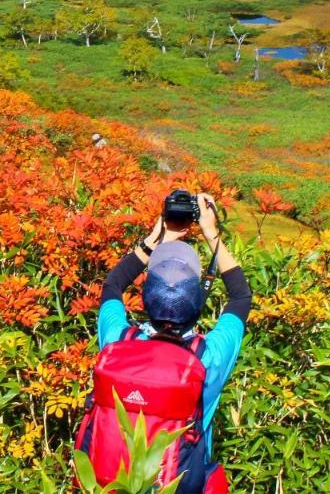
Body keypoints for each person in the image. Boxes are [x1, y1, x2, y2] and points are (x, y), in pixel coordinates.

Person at [84, 192, 251, 491]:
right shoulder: (206, 358)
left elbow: (112, 285)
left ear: (146, 300)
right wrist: (212, 235)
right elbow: (241, 295)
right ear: (198, 302)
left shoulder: (116, 342)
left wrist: (156, 238)